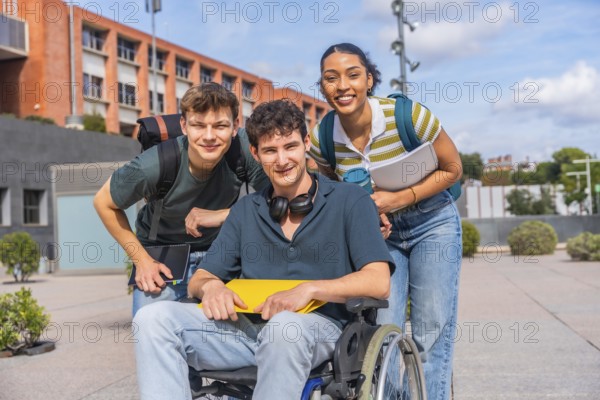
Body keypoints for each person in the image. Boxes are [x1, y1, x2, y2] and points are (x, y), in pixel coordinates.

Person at [132, 99, 394, 400]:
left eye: (290, 147)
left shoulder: (350, 201)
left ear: (306, 144)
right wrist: (212, 287)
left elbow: (378, 280)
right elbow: (200, 277)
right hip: (245, 331)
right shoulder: (245, 211)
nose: (282, 160)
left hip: (321, 330)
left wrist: (309, 290)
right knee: (152, 319)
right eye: (270, 151)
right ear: (255, 154)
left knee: (283, 328)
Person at [308, 43, 463, 400]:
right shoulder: (323, 138)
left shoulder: (408, 117)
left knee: (431, 332)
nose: (342, 86)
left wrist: (399, 198)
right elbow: (336, 193)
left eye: (352, 75)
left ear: (369, 79)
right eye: (331, 79)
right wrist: (365, 215)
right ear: (323, 88)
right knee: (383, 336)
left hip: (432, 222)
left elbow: (453, 169)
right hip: (382, 236)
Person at [93, 82, 269, 316]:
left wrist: (222, 215)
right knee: (149, 324)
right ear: (184, 126)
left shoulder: (244, 149)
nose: (209, 136)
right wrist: (142, 261)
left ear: (235, 126)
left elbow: (275, 200)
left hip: (221, 251)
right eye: (198, 125)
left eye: (220, 126)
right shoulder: (155, 164)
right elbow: (103, 202)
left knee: (237, 328)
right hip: (162, 254)